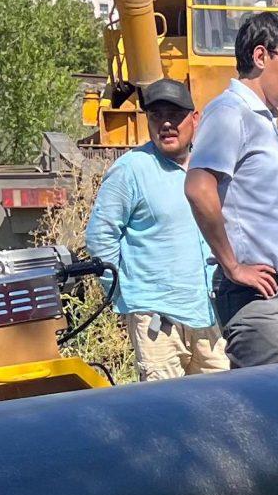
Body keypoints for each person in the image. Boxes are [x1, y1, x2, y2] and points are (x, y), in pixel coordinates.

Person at [187, 11, 278, 368]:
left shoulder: (263, 120)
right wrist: (232, 266)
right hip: (258, 300)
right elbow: (198, 188)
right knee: (263, 417)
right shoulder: (230, 113)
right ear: (261, 57)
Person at [84, 78, 228, 379]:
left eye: (175, 115)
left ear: (195, 118)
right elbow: (101, 237)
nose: (166, 124)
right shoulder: (131, 170)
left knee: (223, 406)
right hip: (157, 321)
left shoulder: (211, 167)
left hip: (211, 313)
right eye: (156, 115)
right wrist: (128, 296)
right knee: (166, 415)